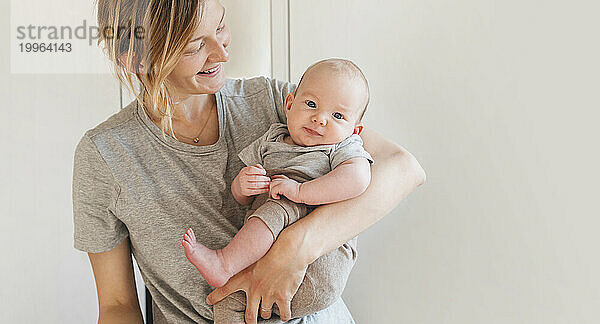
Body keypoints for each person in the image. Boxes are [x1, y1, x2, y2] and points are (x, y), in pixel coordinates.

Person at [73, 0, 425, 323]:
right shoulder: (105, 156)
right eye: (196, 46)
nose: (222, 53)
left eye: (221, 28)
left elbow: (403, 168)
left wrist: (296, 247)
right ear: (137, 59)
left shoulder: (274, 101)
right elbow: (118, 306)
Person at [182, 58, 373, 322]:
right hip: (266, 263)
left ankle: (224, 263)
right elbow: (240, 199)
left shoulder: (341, 147)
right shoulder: (271, 139)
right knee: (227, 302)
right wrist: (243, 185)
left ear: (355, 130)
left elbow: (358, 180)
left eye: (338, 116)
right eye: (311, 105)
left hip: (320, 263)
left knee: (280, 204)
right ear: (289, 104)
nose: (320, 119)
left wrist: (300, 192)